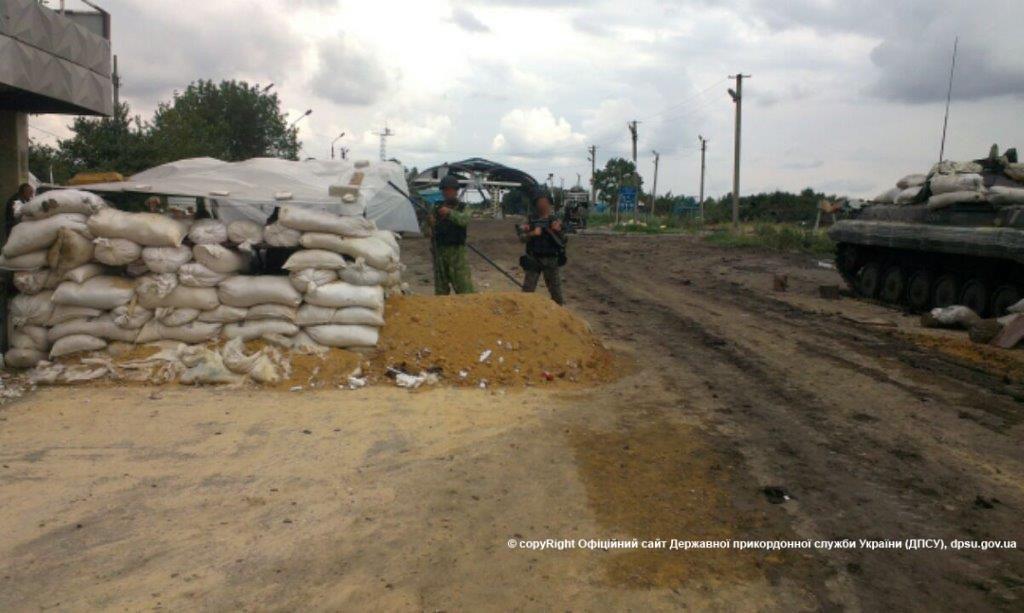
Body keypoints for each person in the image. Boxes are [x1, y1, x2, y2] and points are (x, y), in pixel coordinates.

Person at [518, 190, 567, 304]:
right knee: (527, 293)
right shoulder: (529, 220)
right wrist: (532, 233)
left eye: (545, 202)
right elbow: (521, 237)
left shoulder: (556, 220)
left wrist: (558, 231)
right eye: (540, 202)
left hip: (551, 260)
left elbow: (564, 240)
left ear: (549, 203)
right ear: (536, 204)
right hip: (534, 259)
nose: (543, 205)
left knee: (556, 294)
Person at [429, 174, 474, 295]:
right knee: (441, 291)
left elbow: (464, 220)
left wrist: (449, 213)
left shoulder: (464, 207)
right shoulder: (435, 208)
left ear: (456, 191)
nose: (447, 193)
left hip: (457, 253)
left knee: (465, 289)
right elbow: (426, 232)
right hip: (440, 252)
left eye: (450, 190)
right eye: (445, 190)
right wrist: (430, 223)